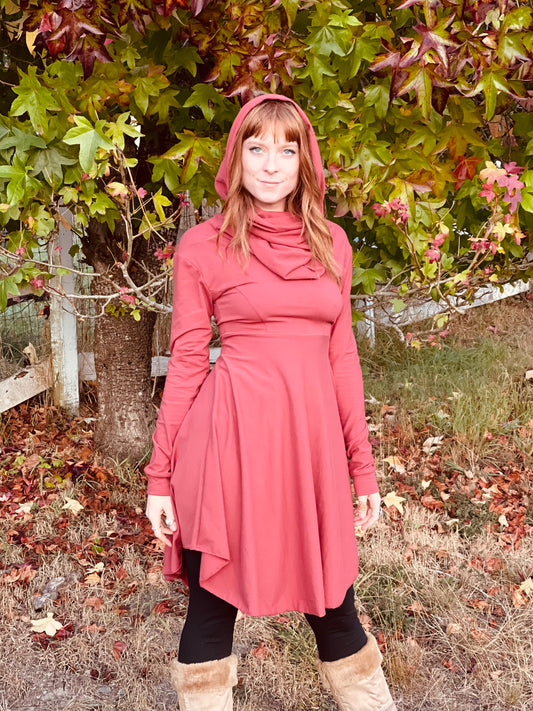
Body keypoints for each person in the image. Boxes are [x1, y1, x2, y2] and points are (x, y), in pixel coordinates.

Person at [144, 94, 396, 711]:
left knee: (335, 603)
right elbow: (187, 361)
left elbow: (342, 359)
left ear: (305, 160)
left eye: (287, 150)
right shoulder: (203, 246)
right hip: (228, 445)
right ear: (237, 156)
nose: (271, 165)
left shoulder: (333, 243)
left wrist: (361, 467)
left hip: (309, 448)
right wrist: (160, 476)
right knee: (211, 607)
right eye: (256, 148)